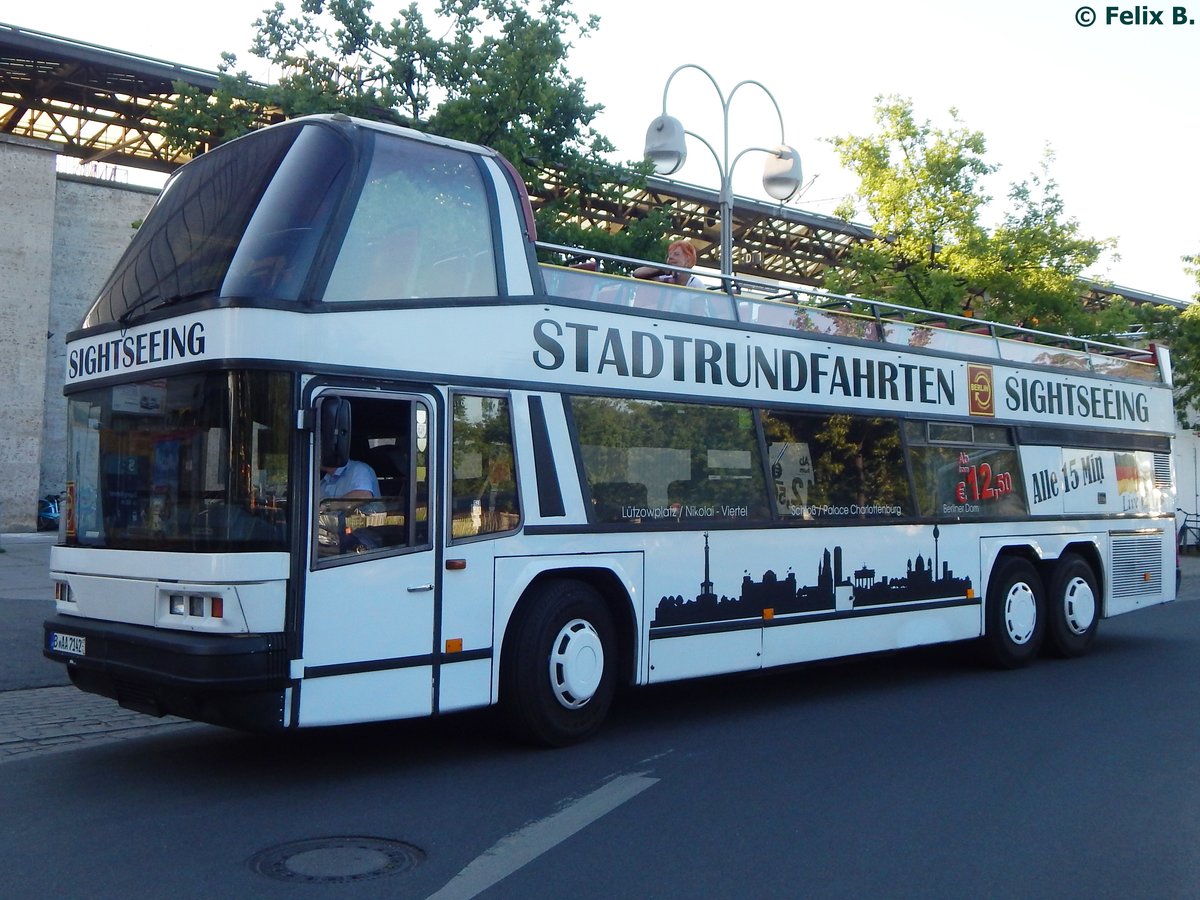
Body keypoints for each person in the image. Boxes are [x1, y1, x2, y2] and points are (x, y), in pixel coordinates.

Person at [633, 240, 703, 288]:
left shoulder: (695, 284)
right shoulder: (665, 279)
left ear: (688, 260)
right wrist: (662, 269)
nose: (671, 257)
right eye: (669, 255)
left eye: (676, 254)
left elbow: (698, 309)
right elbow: (637, 273)